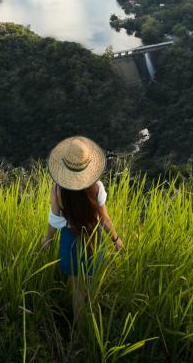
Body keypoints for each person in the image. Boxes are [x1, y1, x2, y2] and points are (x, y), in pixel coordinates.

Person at [40, 136, 123, 320]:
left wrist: (48, 239)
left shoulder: (58, 190)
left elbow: (54, 220)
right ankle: (91, 322)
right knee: (91, 282)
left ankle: (78, 330)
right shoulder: (97, 187)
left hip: (70, 240)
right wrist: (116, 240)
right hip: (94, 238)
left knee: (76, 286)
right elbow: (104, 219)